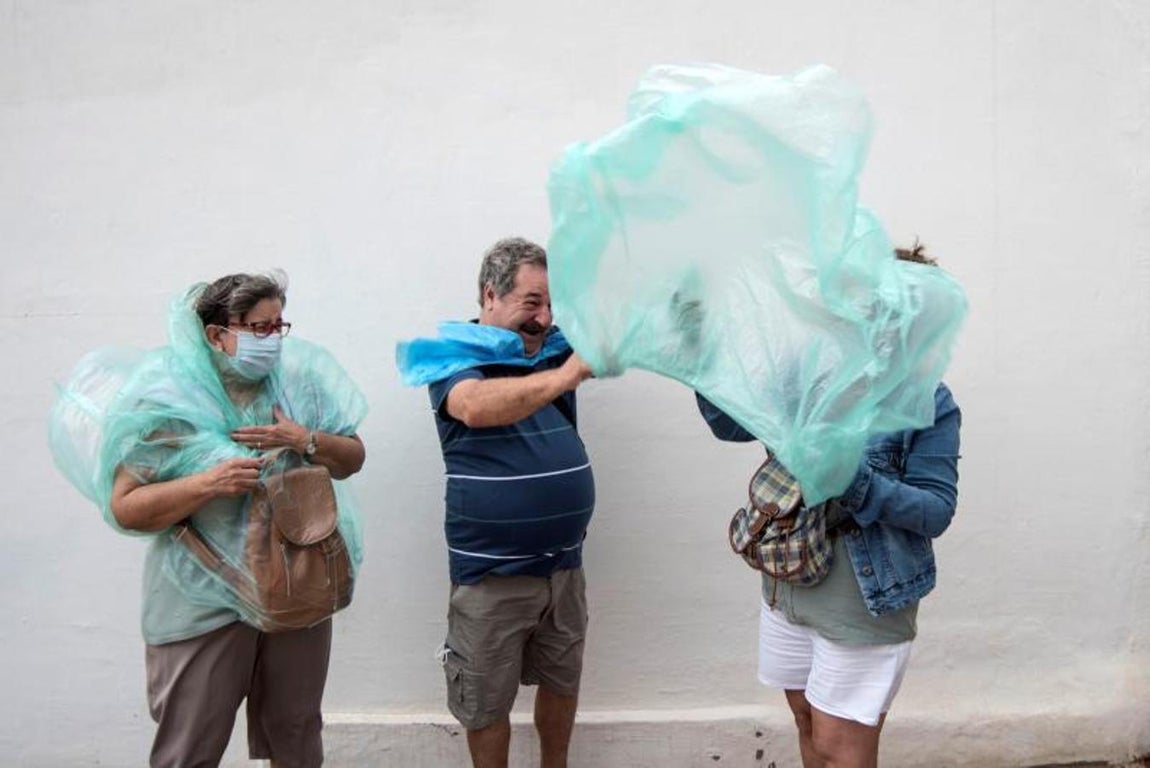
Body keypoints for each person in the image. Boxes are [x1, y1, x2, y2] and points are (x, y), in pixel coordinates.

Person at [66, 271, 367, 767]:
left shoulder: (299, 382)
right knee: (191, 744)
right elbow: (126, 506)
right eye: (259, 328)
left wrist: (305, 440)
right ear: (216, 334)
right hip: (203, 595)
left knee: (296, 731)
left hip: (296, 585)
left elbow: (352, 457)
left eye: (279, 326)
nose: (272, 340)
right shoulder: (167, 398)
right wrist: (208, 483)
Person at [697, 244, 961, 768]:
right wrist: (703, 348)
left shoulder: (928, 398)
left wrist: (852, 480)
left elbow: (935, 510)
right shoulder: (812, 371)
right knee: (807, 724)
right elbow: (730, 422)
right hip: (788, 580)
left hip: (862, 597)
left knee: (842, 749)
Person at [416, 237, 594, 768]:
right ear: (490, 295)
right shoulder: (452, 354)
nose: (544, 317)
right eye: (531, 302)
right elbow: (472, 406)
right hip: (492, 575)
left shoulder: (549, 347)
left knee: (562, 681)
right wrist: (565, 376)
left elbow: (623, 333)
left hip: (563, 567)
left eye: (551, 304)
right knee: (486, 703)